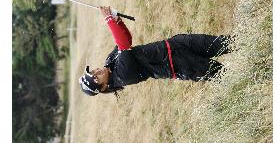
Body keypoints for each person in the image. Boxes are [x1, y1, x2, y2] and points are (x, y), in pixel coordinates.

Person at [78, 6, 231, 96]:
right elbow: (123, 45)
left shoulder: (109, 63)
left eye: (93, 72)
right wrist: (109, 21)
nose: (98, 72)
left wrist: (117, 21)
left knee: (226, 43)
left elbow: (127, 41)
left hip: (176, 44)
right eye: (96, 79)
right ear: (104, 87)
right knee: (226, 74)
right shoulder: (123, 76)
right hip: (180, 65)